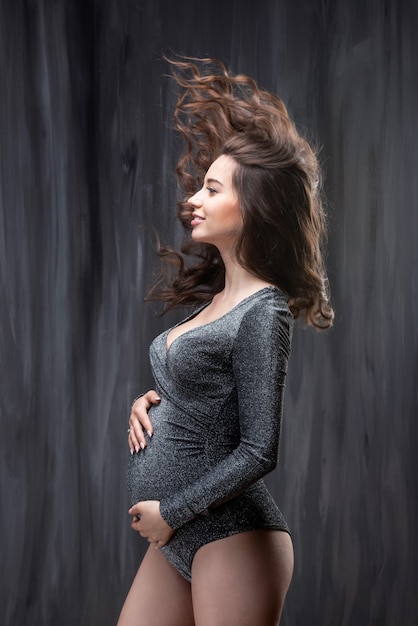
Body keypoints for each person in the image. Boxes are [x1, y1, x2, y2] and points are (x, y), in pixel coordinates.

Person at [117, 57, 333, 626]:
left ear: (254, 204)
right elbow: (210, 396)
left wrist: (173, 512)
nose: (194, 199)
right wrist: (153, 400)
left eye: (212, 189)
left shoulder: (265, 312)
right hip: (182, 534)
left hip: (231, 535)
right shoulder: (215, 304)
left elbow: (261, 448)